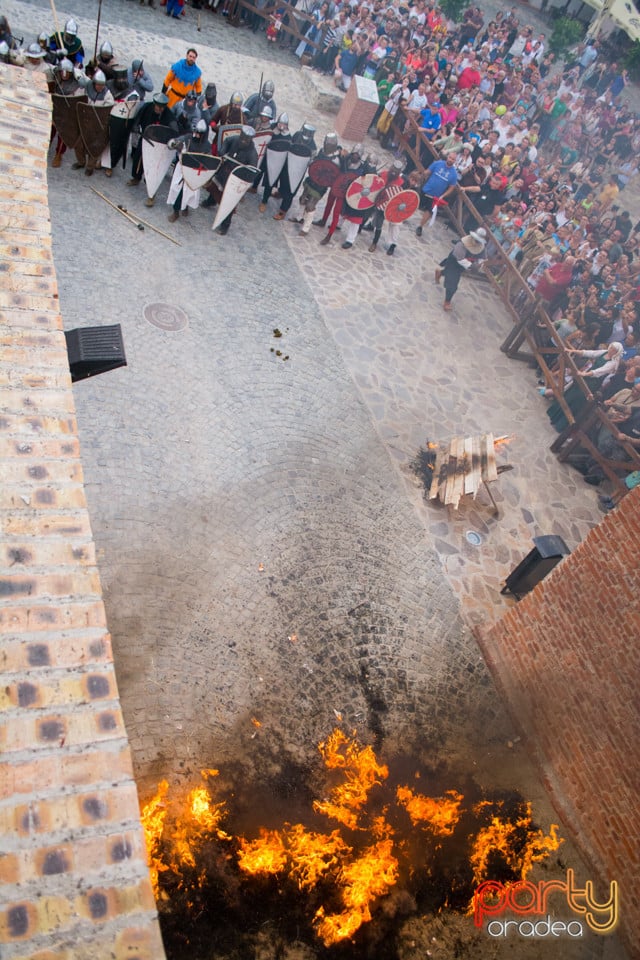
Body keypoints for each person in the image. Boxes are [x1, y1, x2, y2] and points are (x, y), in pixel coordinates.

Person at [206, 126, 259, 235]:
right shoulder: (235, 139)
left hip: (235, 179)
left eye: (245, 140)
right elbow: (226, 141)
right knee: (214, 187)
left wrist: (241, 176)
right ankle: (210, 202)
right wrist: (223, 151)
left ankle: (225, 225)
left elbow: (251, 171)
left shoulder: (252, 153)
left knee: (229, 202)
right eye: (242, 138)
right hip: (224, 170)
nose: (243, 141)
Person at [127, 92, 177, 201]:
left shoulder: (168, 115)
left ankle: (151, 189)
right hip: (145, 138)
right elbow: (138, 118)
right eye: (158, 106)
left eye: (161, 107)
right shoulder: (147, 107)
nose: (159, 109)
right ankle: (136, 177)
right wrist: (135, 126)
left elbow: (174, 130)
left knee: (154, 167)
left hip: (158, 145)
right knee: (138, 158)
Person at [295, 131, 341, 236]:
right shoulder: (322, 151)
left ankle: (306, 228)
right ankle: (299, 218)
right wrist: (312, 163)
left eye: (329, 144)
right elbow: (316, 161)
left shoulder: (336, 160)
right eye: (326, 143)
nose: (327, 145)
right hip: (312, 180)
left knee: (310, 205)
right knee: (302, 199)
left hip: (320, 186)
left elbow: (334, 176)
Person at [167, 119, 211, 222]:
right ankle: (176, 211)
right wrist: (176, 144)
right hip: (182, 169)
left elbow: (208, 161)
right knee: (177, 189)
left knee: (189, 192)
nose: (196, 135)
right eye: (196, 132)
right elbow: (174, 142)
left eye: (199, 134)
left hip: (195, 172)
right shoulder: (188, 138)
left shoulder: (206, 145)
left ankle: (185, 206)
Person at [72, 70, 114, 176]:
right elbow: (78, 98)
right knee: (79, 145)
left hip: (97, 125)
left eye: (102, 85)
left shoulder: (107, 95)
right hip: (85, 122)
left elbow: (108, 108)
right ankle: (81, 162)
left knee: (94, 147)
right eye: (98, 84)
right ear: (94, 83)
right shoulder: (87, 88)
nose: (100, 87)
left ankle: (90, 167)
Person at [435, 228, 487, 310]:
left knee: (449, 274)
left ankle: (440, 273)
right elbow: (459, 258)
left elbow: (482, 258)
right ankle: (447, 302)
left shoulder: (481, 247)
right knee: (452, 283)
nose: (477, 242)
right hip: (454, 262)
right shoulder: (462, 243)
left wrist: (479, 265)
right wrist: (471, 266)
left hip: (463, 266)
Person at [415, 153, 459, 237]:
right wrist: (420, 175)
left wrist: (443, 195)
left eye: (453, 159)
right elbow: (427, 172)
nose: (450, 160)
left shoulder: (454, 174)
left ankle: (420, 226)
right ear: (447, 157)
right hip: (426, 189)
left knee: (429, 211)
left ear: (455, 161)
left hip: (436, 196)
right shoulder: (438, 163)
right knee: (415, 204)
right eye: (450, 157)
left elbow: (451, 188)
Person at [50, 58, 83, 168]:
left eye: (67, 72)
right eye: (62, 72)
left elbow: (77, 102)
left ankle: (58, 154)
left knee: (62, 136)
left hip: (66, 114)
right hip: (54, 109)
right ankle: (45, 147)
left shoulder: (76, 86)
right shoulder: (55, 80)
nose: (64, 75)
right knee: (50, 132)